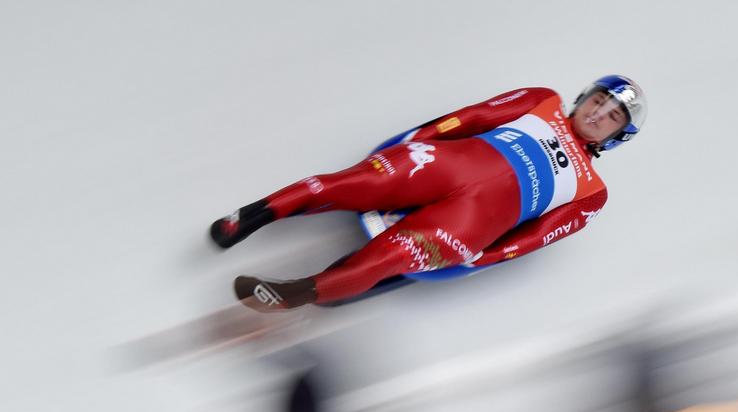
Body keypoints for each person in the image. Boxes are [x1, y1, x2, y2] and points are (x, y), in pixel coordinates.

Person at [210, 75, 647, 312]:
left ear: (615, 136)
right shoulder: (541, 100)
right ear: (583, 97)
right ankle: (251, 216)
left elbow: (531, 240)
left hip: (469, 225)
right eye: (598, 102)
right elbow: (472, 117)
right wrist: (422, 137)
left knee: (389, 258)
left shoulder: (592, 194)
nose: (598, 114)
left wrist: (484, 256)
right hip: (443, 166)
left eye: (610, 117)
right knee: (347, 183)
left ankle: (299, 292)